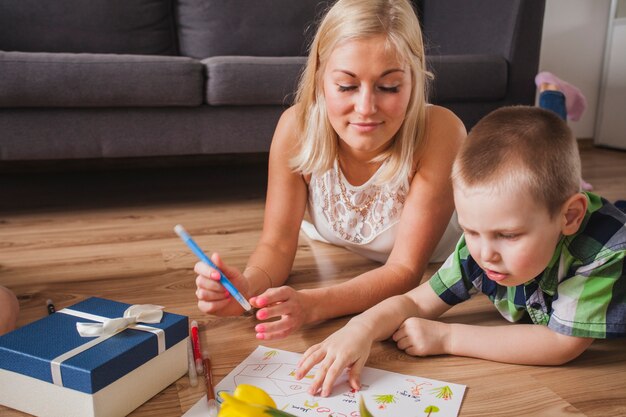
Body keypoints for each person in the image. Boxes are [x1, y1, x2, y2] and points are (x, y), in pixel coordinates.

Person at [294, 106, 626, 397]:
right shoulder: (481, 246)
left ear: (569, 217)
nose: (485, 254)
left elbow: (561, 343)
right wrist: (360, 329)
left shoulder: (603, 251)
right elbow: (415, 301)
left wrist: (448, 337)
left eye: (507, 235)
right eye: (469, 230)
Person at [194, 0, 465, 340]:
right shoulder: (296, 127)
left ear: (413, 81)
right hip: (338, 254)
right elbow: (277, 245)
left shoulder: (441, 131)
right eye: (347, 86)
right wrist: (248, 286)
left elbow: (405, 270)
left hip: (434, 261)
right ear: (321, 78)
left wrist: (313, 304)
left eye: (389, 87)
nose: (366, 108)